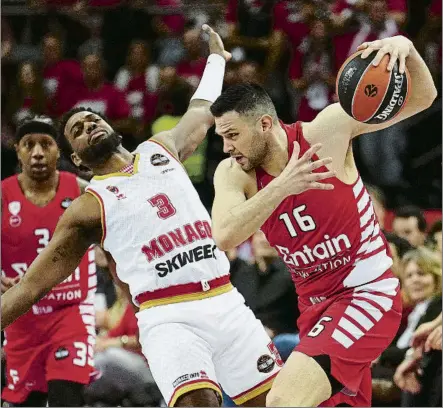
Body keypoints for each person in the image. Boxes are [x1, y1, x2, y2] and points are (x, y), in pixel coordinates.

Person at [1, 26, 282, 408]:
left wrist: (216, 59)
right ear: (79, 160)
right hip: (167, 317)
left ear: (112, 126)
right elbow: (30, 287)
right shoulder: (89, 205)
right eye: (78, 131)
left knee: (278, 403)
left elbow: (201, 110)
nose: (90, 125)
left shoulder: (160, 149)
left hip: (225, 300)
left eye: (92, 119)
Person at [210, 35, 437, 407]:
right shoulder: (233, 173)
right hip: (314, 309)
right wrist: (282, 186)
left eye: (233, 135)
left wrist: (407, 49)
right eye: (222, 137)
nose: (226, 147)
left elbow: (423, 99)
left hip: (367, 295)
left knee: (283, 401)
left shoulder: (327, 130)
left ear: (265, 124)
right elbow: (224, 234)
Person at [1, 116, 97, 407]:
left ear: (59, 150)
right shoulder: (3, 195)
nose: (38, 152)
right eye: (29, 145)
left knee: (66, 397)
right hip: (21, 317)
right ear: (17, 150)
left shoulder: (82, 190)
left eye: (46, 144)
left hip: (70, 312)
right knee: (25, 402)